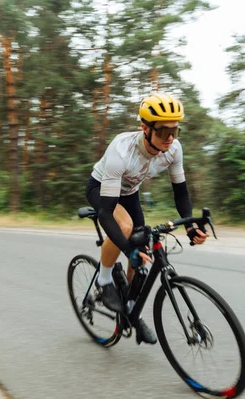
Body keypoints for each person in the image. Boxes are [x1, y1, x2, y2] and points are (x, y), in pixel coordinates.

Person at [85, 92, 209, 345]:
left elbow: (181, 191)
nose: (171, 138)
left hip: (129, 192)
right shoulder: (121, 150)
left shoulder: (173, 149)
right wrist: (127, 247)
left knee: (142, 246)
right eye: (164, 132)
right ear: (145, 128)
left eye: (176, 131)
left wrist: (191, 226)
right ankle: (104, 279)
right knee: (126, 227)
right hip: (102, 189)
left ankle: (131, 308)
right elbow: (108, 213)